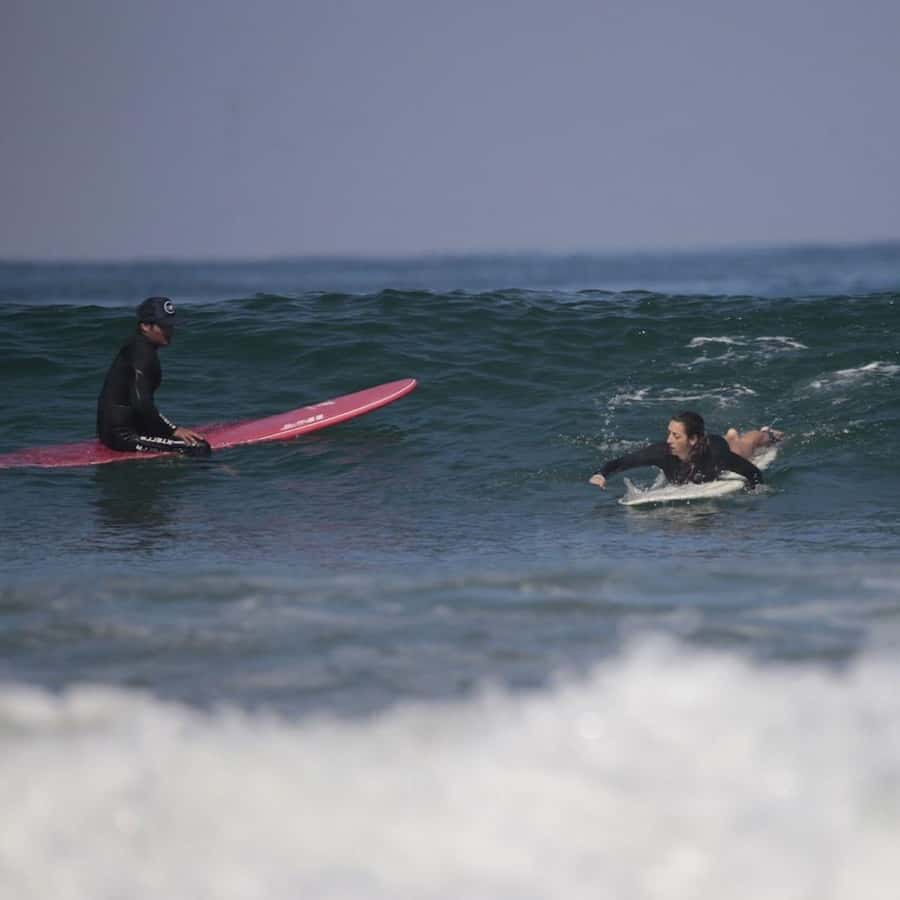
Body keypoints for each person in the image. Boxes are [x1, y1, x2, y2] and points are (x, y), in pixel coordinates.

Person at [96, 297, 210, 456]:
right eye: (163, 326)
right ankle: (219, 474)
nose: (170, 331)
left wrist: (167, 430)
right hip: (123, 436)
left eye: (171, 326)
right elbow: (142, 402)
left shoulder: (138, 346)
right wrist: (173, 429)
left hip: (124, 427)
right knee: (199, 447)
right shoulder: (143, 353)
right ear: (145, 326)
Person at [588, 410, 780, 491]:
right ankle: (731, 435)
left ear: (693, 439)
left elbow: (753, 472)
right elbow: (622, 462)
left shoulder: (716, 456)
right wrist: (601, 475)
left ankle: (767, 434)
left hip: (719, 445)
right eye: (669, 433)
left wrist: (752, 492)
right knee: (734, 440)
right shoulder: (661, 453)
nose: (668, 440)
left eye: (676, 436)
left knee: (745, 445)